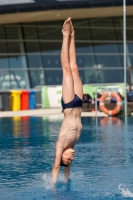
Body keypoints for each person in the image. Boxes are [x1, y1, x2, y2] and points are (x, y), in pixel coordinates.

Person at [52, 17, 83, 184]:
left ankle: (65, 35)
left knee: (66, 70)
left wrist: (54, 187)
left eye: (67, 159)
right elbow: (66, 170)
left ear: (61, 155)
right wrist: (66, 181)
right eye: (70, 161)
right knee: (75, 68)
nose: (71, 158)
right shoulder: (73, 145)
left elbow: (57, 167)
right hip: (79, 103)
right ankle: (73, 35)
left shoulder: (61, 144)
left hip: (70, 104)